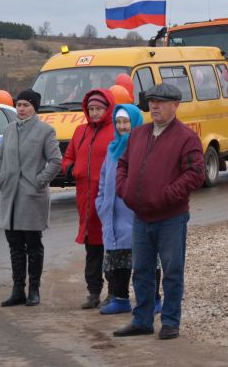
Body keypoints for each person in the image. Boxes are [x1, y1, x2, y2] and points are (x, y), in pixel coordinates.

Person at [113, 83, 205, 340]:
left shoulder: (186, 138)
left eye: (161, 102)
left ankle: (170, 322)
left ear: (175, 105)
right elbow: (123, 164)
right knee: (141, 270)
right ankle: (142, 320)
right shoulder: (139, 134)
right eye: (152, 101)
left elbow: (195, 175)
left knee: (172, 271)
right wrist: (125, 190)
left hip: (170, 218)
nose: (154, 105)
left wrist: (166, 196)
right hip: (141, 217)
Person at [0, 89, 62, 307]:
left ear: (34, 107)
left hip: (32, 196)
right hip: (10, 195)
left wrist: (39, 181)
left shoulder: (45, 131)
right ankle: (17, 290)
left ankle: (34, 290)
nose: (21, 109)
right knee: (14, 245)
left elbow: (55, 161)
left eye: (26, 105)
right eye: (19, 105)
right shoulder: (9, 129)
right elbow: (0, 155)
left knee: (32, 245)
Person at [62, 88, 116, 309]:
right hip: (85, 199)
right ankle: (93, 292)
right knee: (92, 248)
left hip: (109, 198)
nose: (94, 113)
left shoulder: (116, 131)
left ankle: (114, 293)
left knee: (112, 248)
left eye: (98, 109)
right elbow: (68, 158)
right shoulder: (79, 131)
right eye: (91, 109)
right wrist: (72, 169)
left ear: (107, 109)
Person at [95, 103, 144, 315]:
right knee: (116, 262)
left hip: (135, 214)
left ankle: (152, 299)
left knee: (144, 261)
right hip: (112, 216)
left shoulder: (143, 148)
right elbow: (103, 180)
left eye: (126, 122)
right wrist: (102, 204)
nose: (122, 126)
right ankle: (120, 298)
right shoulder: (112, 149)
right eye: (119, 122)